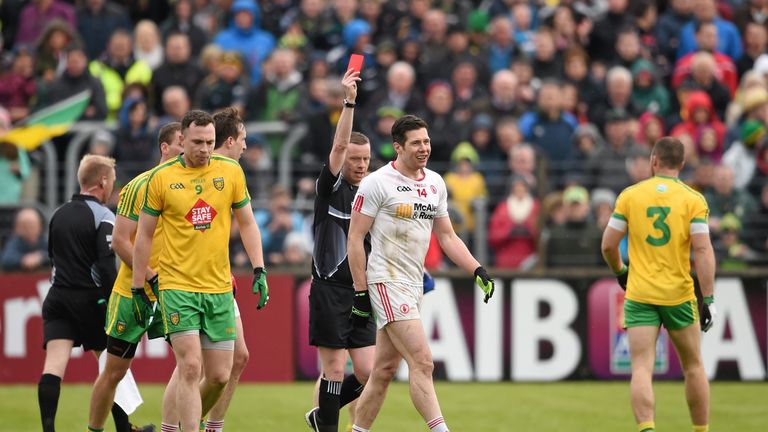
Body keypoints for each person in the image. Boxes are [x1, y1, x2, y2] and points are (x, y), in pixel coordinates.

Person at [347, 115, 495, 432]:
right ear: (398, 147)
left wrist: (476, 268)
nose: (424, 147)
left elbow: (447, 236)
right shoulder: (377, 183)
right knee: (422, 360)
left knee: (384, 369)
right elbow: (355, 238)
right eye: (416, 142)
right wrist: (361, 290)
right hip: (386, 281)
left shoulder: (435, 183)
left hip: (413, 284)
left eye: (426, 141)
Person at [131, 110, 268, 432]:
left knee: (220, 374)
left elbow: (247, 223)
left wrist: (259, 268)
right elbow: (144, 237)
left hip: (218, 287)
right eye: (197, 142)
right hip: (177, 286)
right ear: (182, 139)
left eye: (209, 142)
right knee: (190, 367)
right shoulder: (161, 178)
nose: (205, 149)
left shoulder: (231, 171)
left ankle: (173, 428)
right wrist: (139, 286)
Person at [601, 136, 716, 432]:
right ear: (682, 163)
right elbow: (703, 250)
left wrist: (620, 271)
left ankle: (647, 429)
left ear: (653, 160)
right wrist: (710, 299)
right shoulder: (693, 200)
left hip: (640, 293)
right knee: (693, 366)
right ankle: (701, 430)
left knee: (641, 367)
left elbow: (608, 246)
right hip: (678, 294)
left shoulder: (630, 195)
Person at [39, 154, 150, 432]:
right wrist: (115, 297)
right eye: (111, 180)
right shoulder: (103, 215)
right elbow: (104, 263)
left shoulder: (58, 213)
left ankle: (48, 429)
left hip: (57, 298)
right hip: (91, 301)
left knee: (53, 367)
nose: (112, 186)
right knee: (112, 369)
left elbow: (52, 256)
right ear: (102, 181)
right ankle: (124, 430)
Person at [86, 123, 183, 432]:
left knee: (193, 366)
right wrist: (150, 276)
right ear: (164, 148)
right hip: (134, 292)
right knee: (114, 372)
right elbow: (120, 241)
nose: (190, 149)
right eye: (182, 143)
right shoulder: (138, 187)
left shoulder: (194, 187)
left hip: (176, 292)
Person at [304, 69, 375, 432]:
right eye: (354, 159)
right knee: (333, 370)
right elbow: (337, 146)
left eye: (366, 160)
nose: (361, 166)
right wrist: (350, 102)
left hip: (362, 292)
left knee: (369, 372)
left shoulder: (375, 193)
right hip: (330, 289)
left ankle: (319, 417)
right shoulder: (329, 189)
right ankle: (327, 427)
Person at [1, 207, 49, 271]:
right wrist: (23, 259)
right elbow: (6, 259)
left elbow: (59, 256)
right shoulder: (14, 243)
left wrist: (41, 256)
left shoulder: (47, 241)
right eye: (24, 226)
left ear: (40, 226)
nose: (29, 230)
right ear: (17, 228)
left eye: (32, 226)